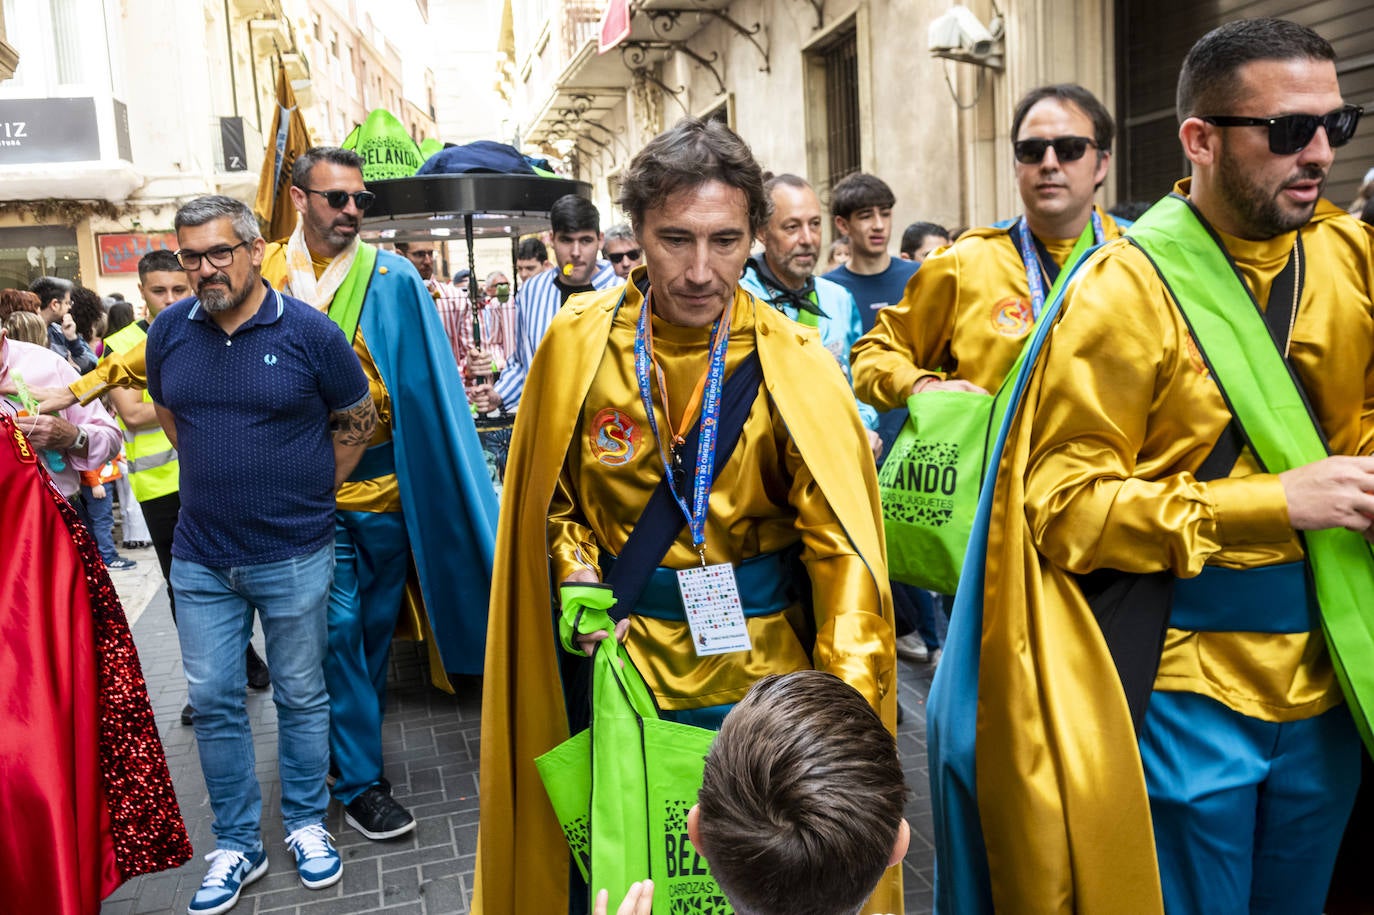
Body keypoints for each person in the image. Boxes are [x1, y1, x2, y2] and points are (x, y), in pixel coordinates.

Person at [930, 19, 1374, 915]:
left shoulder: (1349, 258)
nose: (1320, 152)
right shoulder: (1119, 289)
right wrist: (1271, 502)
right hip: (1183, 695)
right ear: (1200, 140)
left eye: (1339, 123)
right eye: (1288, 130)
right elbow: (1061, 507)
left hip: (1336, 677)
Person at [473, 116, 898, 914]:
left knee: (772, 877)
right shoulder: (575, 345)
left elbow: (843, 558)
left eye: (726, 240)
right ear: (635, 233)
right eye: (675, 239)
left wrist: (841, 720)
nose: (702, 270)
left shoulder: (795, 360)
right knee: (643, 876)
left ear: (754, 237)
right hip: (624, 673)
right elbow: (550, 499)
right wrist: (576, 575)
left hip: (766, 686)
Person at [261, 146, 498, 843]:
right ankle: (362, 781)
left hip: (387, 493)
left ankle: (339, 748)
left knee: (367, 637)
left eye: (360, 199)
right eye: (337, 198)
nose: (352, 211)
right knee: (336, 631)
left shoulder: (393, 277)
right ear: (299, 198)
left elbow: (428, 388)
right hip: (308, 496)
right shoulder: (266, 270)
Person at [147, 194, 374, 912]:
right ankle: (238, 842)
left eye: (219, 252)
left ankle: (307, 823)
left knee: (301, 694)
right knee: (214, 701)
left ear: (252, 249)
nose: (206, 269)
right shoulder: (166, 334)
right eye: (191, 256)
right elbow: (169, 411)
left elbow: (359, 416)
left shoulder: (309, 331)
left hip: (295, 551)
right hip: (201, 555)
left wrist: (316, 489)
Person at [0, 389, 192, 914]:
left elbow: (107, 433)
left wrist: (74, 435)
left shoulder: (50, 373)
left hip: (48, 601)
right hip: (30, 606)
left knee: (62, 757)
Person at [107, 249, 272, 726]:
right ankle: (213, 680)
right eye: (159, 291)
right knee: (186, 590)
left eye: (179, 288)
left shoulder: (208, 329)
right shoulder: (122, 343)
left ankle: (243, 660)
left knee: (246, 575)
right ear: (141, 292)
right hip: (161, 490)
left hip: (217, 480)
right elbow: (134, 412)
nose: (170, 298)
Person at [738, 172, 881, 458]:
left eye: (814, 224)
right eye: (792, 227)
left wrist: (860, 428)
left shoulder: (838, 298)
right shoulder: (739, 300)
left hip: (838, 461)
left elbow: (856, 388)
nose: (807, 239)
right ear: (763, 232)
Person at [469, 194, 618, 414]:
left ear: (600, 240)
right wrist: (499, 395)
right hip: (549, 423)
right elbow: (523, 363)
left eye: (585, 240)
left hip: (609, 429)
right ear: (552, 239)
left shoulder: (623, 292)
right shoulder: (532, 291)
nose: (576, 253)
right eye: (566, 240)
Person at [822, 174, 919, 334]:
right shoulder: (827, 290)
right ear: (843, 225)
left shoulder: (918, 276)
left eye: (885, 214)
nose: (879, 225)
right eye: (866, 216)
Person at [32, 275, 98, 373]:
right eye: (67, 303)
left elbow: (85, 365)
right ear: (54, 305)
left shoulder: (61, 330)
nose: (70, 307)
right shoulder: (24, 331)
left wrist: (72, 339)